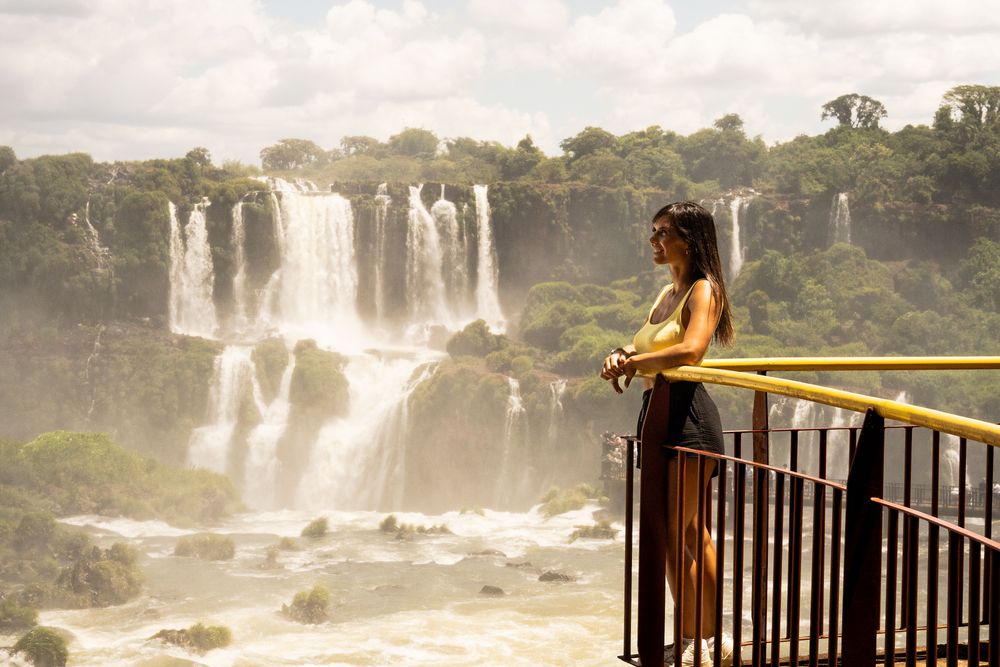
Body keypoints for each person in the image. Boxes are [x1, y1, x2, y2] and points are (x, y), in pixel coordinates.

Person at [600, 201, 735, 667]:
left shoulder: (704, 289)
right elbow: (646, 343)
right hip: (658, 413)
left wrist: (635, 363)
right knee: (686, 532)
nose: (653, 239)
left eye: (663, 232)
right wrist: (621, 353)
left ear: (689, 240)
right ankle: (702, 638)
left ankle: (699, 640)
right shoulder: (666, 293)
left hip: (688, 417)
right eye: (654, 230)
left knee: (681, 533)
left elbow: (692, 350)